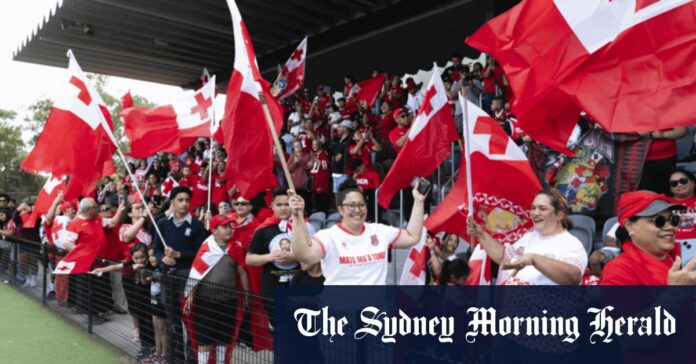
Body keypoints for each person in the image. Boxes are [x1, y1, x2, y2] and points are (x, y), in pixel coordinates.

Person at [290, 179, 428, 285]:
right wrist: (297, 216)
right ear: (340, 209)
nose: (357, 210)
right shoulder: (328, 236)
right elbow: (305, 255)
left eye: (361, 205)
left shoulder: (380, 231)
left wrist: (418, 201)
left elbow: (412, 237)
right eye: (351, 205)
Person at [467, 188, 587, 285]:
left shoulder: (571, 244)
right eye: (533, 208)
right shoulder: (529, 236)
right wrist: (481, 233)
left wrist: (534, 259)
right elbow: (504, 256)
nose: (535, 213)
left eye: (542, 208)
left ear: (559, 215)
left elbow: (573, 278)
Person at [184, 214, 249, 364]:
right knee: (204, 337)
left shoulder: (235, 248)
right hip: (206, 299)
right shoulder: (207, 248)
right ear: (214, 230)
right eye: (225, 226)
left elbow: (242, 271)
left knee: (224, 337)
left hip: (228, 299)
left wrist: (247, 294)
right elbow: (196, 272)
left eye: (230, 226)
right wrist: (191, 294)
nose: (229, 229)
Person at [152, 185, 207, 361]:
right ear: (173, 202)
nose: (184, 204)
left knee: (190, 319)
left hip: (187, 276)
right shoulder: (162, 223)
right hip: (168, 276)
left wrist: (179, 255)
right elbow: (157, 249)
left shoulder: (197, 225)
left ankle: (191, 359)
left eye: (187, 200)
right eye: (180, 200)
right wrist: (163, 259)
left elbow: (201, 252)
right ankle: (176, 358)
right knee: (172, 318)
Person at [246, 188, 312, 329]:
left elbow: (315, 255)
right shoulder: (263, 230)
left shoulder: (304, 227)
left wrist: (295, 256)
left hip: (301, 289)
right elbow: (249, 259)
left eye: (287, 204)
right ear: (272, 206)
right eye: (279, 205)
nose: (283, 208)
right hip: (273, 290)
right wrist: (270, 257)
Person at [601, 190, 696, 285]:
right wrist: (675, 292)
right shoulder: (619, 270)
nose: (670, 227)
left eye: (673, 220)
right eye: (659, 221)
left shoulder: (683, 256)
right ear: (629, 226)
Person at [90, 243, 156, 360]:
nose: (139, 260)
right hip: (138, 299)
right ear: (132, 258)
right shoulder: (131, 263)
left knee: (150, 322)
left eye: (142, 257)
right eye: (136, 258)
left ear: (146, 256)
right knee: (141, 321)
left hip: (150, 300)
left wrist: (143, 269)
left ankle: (153, 348)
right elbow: (116, 266)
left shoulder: (151, 265)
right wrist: (102, 269)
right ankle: (145, 346)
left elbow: (154, 276)